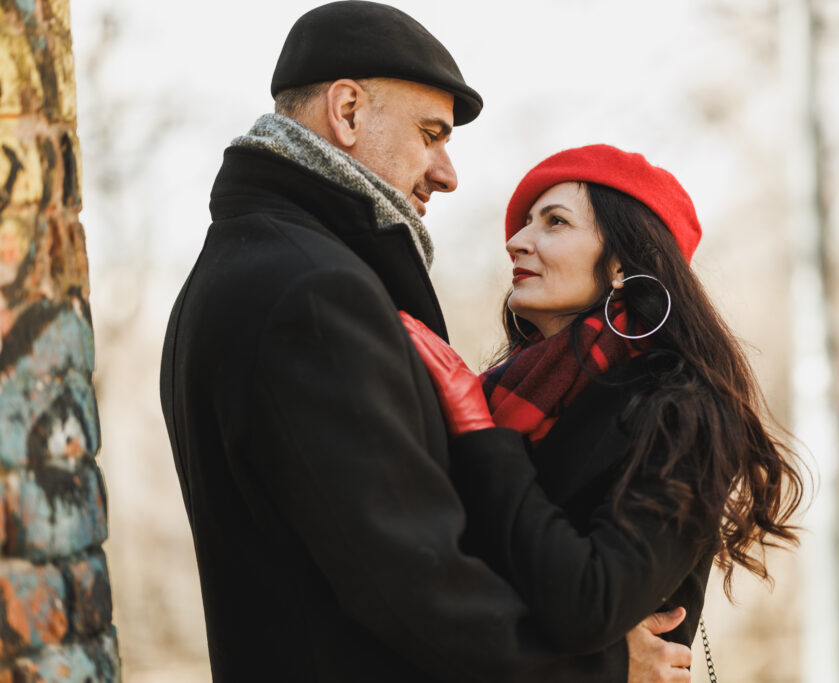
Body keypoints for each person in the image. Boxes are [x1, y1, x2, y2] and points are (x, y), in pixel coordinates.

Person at [159, 2, 691, 681]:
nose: (447, 172)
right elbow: (415, 588)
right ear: (346, 111)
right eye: (430, 133)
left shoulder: (247, 264)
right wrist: (604, 670)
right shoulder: (314, 294)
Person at [402, 144, 805, 661]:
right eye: (525, 223)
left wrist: (481, 436)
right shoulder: (501, 394)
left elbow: (590, 604)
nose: (517, 242)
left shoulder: (682, 411)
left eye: (554, 222)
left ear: (621, 261)